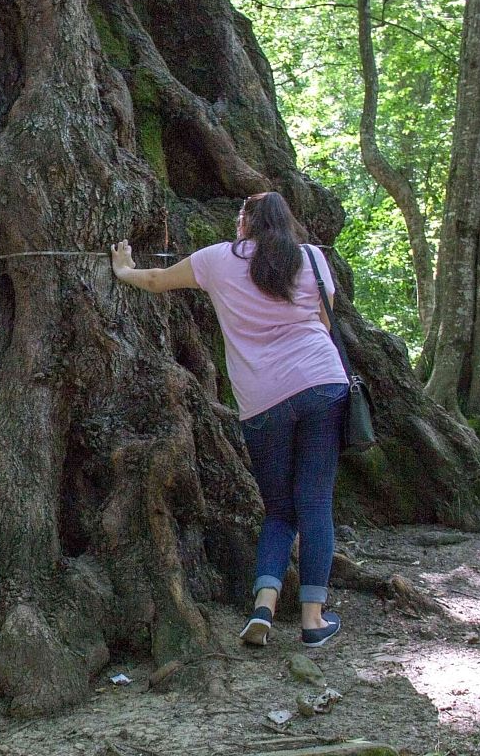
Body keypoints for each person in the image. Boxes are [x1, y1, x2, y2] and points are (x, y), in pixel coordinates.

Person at [110, 191, 347, 648]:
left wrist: (123, 269)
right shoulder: (312, 259)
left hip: (263, 398)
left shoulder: (219, 259)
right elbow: (324, 320)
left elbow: (159, 279)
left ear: (246, 222)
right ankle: (313, 621)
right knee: (314, 502)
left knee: (279, 510)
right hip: (322, 383)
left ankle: (264, 607)